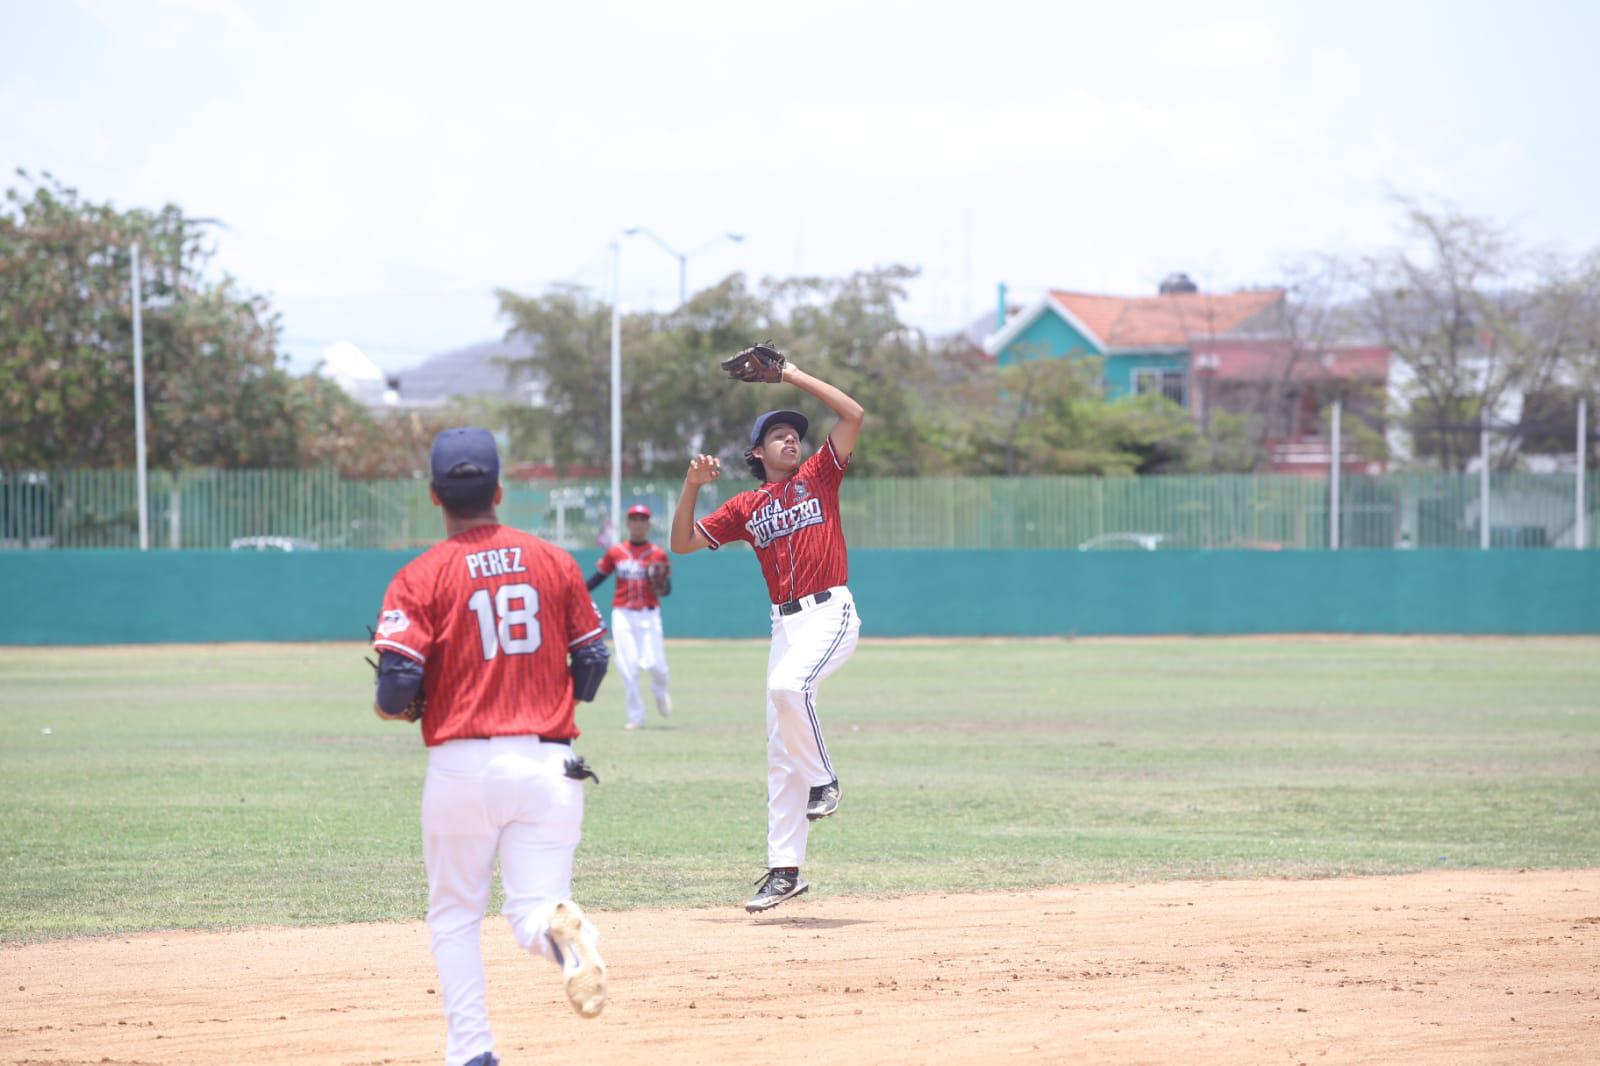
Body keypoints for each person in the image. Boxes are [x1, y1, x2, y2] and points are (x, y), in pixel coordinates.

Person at [369, 427, 611, 1066]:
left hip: (463, 765)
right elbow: (591, 661)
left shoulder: (421, 576)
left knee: (454, 917)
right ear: (501, 490)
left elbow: (397, 690)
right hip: (553, 760)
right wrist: (547, 699)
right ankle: (565, 936)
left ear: (433, 495)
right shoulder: (554, 560)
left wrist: (396, 703)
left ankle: (472, 1052)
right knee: (534, 910)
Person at [669, 357, 864, 914]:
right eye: (778, 436)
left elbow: (853, 413)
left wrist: (794, 376)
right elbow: (682, 543)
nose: (790, 442)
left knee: (787, 690)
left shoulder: (819, 477)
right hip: (785, 622)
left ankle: (825, 782)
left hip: (831, 611)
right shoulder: (745, 507)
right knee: (781, 751)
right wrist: (690, 485)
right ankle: (785, 871)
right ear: (756, 453)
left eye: (795, 436)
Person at [586, 503, 673, 729]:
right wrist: (578, 591)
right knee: (628, 666)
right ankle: (636, 716)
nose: (638, 524)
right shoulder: (617, 552)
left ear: (648, 524)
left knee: (657, 666)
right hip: (623, 613)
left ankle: (660, 691)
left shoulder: (657, 553)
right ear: (628, 523)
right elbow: (599, 577)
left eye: (642, 520)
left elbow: (668, 589)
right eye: (634, 519)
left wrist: (661, 585)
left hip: (649, 614)